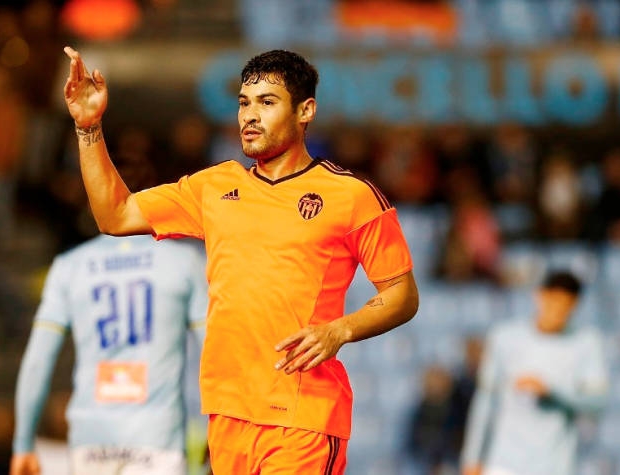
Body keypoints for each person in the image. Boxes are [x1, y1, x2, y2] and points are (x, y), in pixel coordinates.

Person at [61, 45, 420, 474]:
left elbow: (402, 293)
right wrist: (89, 128)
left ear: (305, 111)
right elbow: (115, 215)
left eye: (267, 103)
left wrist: (338, 331)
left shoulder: (352, 196)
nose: (250, 115)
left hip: (301, 416)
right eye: (244, 103)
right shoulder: (213, 187)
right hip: (228, 413)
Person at [10, 152, 210, 475]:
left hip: (91, 440)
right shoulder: (184, 263)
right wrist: (218, 426)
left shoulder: (69, 267)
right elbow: (212, 349)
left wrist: (23, 444)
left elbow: (38, 360)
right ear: (154, 194)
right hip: (157, 439)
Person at [460, 270, 610, 475]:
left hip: (554, 466)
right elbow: (486, 401)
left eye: (564, 307)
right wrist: (472, 458)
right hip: (503, 463)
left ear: (574, 306)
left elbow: (598, 402)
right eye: (553, 303)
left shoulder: (586, 343)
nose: (556, 313)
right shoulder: (504, 338)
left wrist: (552, 392)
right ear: (539, 296)